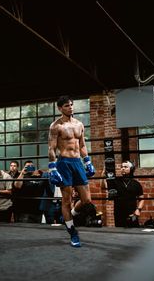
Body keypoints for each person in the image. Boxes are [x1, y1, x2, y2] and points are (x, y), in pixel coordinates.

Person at [48, 95, 95, 247]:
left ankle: (70, 216)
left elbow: (82, 145)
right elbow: (51, 148)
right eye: (67, 106)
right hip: (64, 163)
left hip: (77, 162)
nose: (70, 108)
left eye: (71, 105)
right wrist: (52, 167)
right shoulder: (56, 126)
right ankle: (72, 232)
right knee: (66, 200)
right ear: (60, 108)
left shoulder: (79, 124)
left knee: (87, 200)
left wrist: (87, 161)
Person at [108, 160, 144, 227]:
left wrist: (138, 210)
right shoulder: (116, 181)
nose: (123, 168)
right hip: (119, 214)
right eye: (122, 167)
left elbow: (141, 199)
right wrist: (103, 175)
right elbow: (103, 186)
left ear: (131, 169)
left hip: (132, 214)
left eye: (125, 167)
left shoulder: (136, 184)